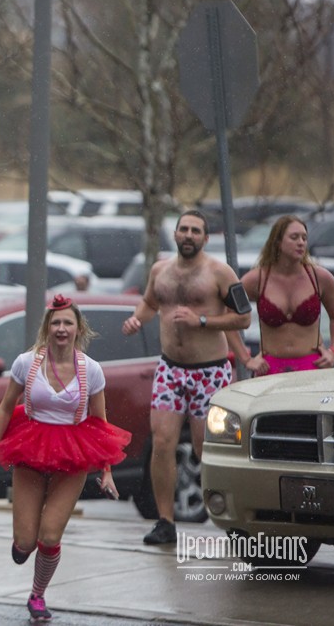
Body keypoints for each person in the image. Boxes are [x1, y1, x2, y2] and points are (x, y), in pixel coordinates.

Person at [0, 294, 130, 623]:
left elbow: (100, 422)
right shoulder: (26, 363)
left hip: (73, 454)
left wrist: (106, 471)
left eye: (67, 323)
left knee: (49, 536)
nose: (61, 329)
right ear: (47, 328)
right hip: (30, 447)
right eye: (56, 322)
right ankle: (22, 546)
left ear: (79, 329)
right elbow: (4, 409)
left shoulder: (91, 370)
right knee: (25, 542)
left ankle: (37, 595)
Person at [122, 210, 250, 546]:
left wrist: (202, 321)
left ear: (205, 238)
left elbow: (244, 318)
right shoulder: (159, 271)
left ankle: (234, 522)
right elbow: (149, 303)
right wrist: (137, 319)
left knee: (206, 447)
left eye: (195, 231)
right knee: (162, 443)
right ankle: (165, 521)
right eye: (184, 229)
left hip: (210, 370)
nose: (188, 235)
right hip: (171, 369)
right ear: (175, 234)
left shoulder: (220, 273)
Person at [226, 215, 334, 376]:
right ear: (277, 242)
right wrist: (246, 359)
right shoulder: (256, 279)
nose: (301, 242)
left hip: (312, 366)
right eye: (294, 237)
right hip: (269, 368)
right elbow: (228, 314)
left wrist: (333, 351)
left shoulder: (321, 278)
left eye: (304, 238)